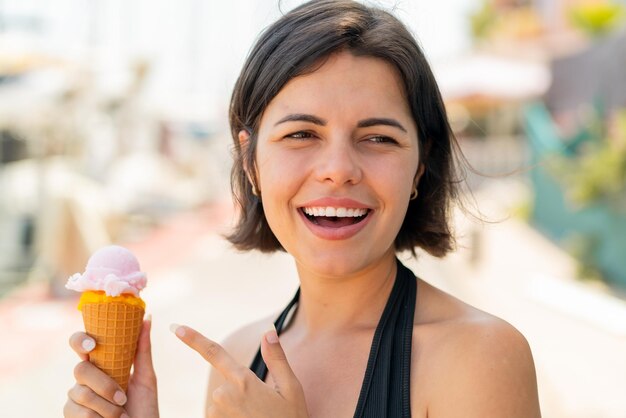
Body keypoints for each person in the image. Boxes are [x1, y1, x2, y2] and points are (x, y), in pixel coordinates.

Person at [64, 1, 542, 417]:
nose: (338, 170)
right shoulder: (238, 359)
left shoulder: (478, 356)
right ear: (250, 162)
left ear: (419, 168)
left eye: (378, 138)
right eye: (301, 135)